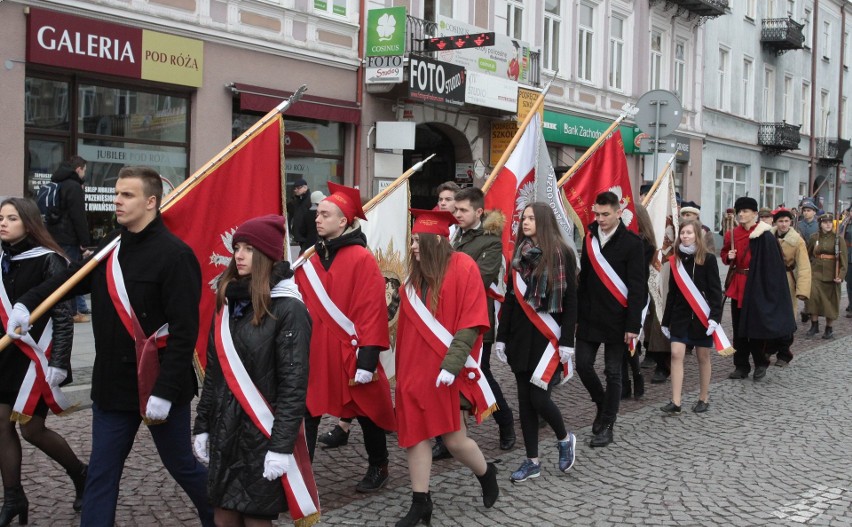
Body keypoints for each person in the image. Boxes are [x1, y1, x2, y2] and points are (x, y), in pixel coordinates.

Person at [7, 166, 214, 527]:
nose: (116, 200)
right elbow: (68, 281)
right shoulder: (111, 248)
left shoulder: (176, 255)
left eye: (127, 195)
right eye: (116, 193)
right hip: (114, 386)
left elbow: (185, 332)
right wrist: (27, 303)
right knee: (102, 473)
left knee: (182, 465)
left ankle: (220, 518)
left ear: (151, 202)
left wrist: (164, 392)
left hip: (159, 386)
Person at [193, 215, 313, 526]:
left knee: (256, 519)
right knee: (223, 516)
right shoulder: (228, 301)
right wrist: (202, 424)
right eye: (237, 248)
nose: (239, 255)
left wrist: (281, 446)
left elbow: (293, 384)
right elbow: (215, 372)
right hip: (225, 429)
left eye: (248, 248)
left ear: (266, 255)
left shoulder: (289, 309)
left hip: (262, 432)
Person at [394, 209, 498, 526]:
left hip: (445, 370)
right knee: (415, 436)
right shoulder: (414, 277)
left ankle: (486, 472)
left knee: (454, 441)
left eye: (417, 240)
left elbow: (472, 322)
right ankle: (420, 501)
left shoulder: (464, 267)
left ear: (435, 241)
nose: (412, 246)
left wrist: (452, 365)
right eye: (411, 239)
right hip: (415, 370)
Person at [294, 182, 397, 493]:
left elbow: (371, 310)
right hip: (316, 352)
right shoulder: (310, 259)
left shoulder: (361, 258)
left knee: (367, 414)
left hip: (350, 353)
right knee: (307, 412)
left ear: (342, 222)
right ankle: (299, 479)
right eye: (317, 213)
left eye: (325, 214)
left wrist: (367, 359)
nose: (317, 218)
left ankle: (379, 464)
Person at [0, 198, 87, 525]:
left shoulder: (50, 261)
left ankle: (81, 475)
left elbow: (63, 316)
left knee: (32, 430)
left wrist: (60, 363)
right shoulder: (0, 259)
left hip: (35, 358)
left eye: (12, 218)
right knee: (0, 425)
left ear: (29, 223)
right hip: (5, 355)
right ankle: (14, 497)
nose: (4, 223)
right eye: (0, 217)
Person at [494, 202, 577, 482]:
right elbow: (510, 297)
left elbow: (571, 300)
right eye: (523, 218)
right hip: (520, 335)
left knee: (539, 397)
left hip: (547, 337)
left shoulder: (562, 253)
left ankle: (564, 439)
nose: (525, 222)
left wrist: (567, 341)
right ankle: (532, 460)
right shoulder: (519, 255)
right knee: (524, 403)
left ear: (542, 221)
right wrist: (501, 337)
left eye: (531, 218)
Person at [445, 187, 515, 453]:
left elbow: (479, 280)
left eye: (463, 210)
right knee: (449, 376)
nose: (457, 214)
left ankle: (505, 422)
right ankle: (449, 436)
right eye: (455, 209)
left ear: (478, 212)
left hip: (476, 321)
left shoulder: (490, 242)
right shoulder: (453, 236)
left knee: (480, 375)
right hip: (449, 320)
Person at [575, 191, 646, 448]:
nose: (601, 218)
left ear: (618, 212)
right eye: (597, 214)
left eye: (606, 214)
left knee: (613, 372)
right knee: (582, 365)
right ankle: (602, 403)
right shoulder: (589, 239)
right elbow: (583, 282)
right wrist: (577, 315)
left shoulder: (632, 243)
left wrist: (633, 325)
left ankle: (607, 424)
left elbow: (638, 288)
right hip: (590, 317)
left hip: (619, 319)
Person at [721, 196, 796, 382]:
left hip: (757, 287)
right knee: (739, 328)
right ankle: (741, 366)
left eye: (745, 211)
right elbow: (724, 254)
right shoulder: (732, 233)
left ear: (755, 214)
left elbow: (772, 265)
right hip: (739, 284)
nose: (741, 214)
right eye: (739, 211)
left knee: (756, 327)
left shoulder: (765, 235)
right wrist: (728, 256)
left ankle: (761, 363)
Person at [660, 220, 722, 415]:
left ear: (697, 235)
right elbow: (672, 292)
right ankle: (676, 401)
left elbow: (715, 292)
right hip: (680, 316)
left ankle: (703, 397)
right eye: (683, 233)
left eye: (689, 233)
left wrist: (715, 317)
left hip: (702, 317)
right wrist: (665, 321)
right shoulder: (676, 260)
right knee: (676, 354)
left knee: (703, 357)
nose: (685, 236)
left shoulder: (709, 259)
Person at [46, 156, 92, 322]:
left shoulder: (56, 183)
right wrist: (85, 242)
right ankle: (71, 313)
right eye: (84, 171)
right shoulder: (73, 186)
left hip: (52, 236)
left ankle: (64, 309)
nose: (84, 174)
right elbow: (78, 216)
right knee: (70, 275)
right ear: (78, 169)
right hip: (68, 237)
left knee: (58, 273)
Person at [770, 207, 811, 366]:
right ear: (775, 222)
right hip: (770, 279)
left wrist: (802, 289)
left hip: (787, 279)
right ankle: (770, 347)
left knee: (787, 316)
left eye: (786, 221)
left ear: (791, 222)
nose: (783, 224)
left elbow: (804, 265)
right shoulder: (768, 236)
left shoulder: (797, 240)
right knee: (770, 315)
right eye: (780, 221)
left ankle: (784, 353)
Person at [805, 213, 848, 339]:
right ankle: (814, 325)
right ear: (820, 224)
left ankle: (829, 328)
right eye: (825, 222)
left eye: (830, 222)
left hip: (832, 275)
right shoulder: (814, 237)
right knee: (813, 299)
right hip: (816, 273)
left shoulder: (838, 239)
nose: (828, 224)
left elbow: (844, 261)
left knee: (831, 303)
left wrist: (840, 276)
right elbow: (807, 255)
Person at [288, 178, 311, 247]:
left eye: (298, 188)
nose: (296, 190)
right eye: (295, 188)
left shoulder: (310, 200)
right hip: (298, 236)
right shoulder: (295, 201)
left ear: (305, 187)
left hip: (307, 237)